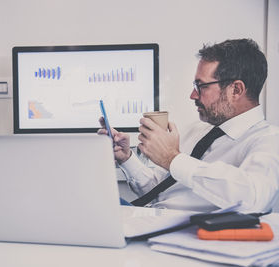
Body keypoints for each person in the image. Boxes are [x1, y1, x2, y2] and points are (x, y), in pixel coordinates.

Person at [99, 38, 279, 212]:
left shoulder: (268, 140)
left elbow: (255, 199)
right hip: (152, 219)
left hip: (186, 233)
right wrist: (126, 158)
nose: (193, 95)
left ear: (236, 90)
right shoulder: (197, 131)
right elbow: (158, 192)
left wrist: (172, 158)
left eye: (202, 86)